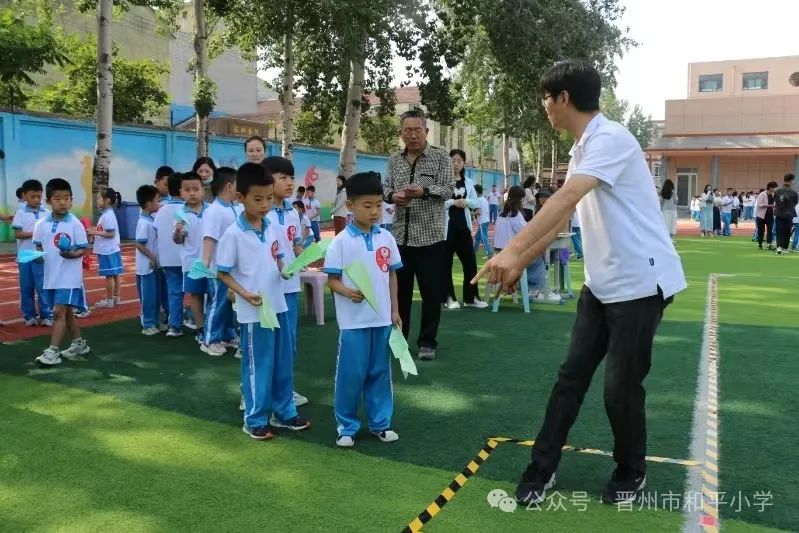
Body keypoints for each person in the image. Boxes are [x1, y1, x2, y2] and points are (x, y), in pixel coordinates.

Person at [473, 61, 686, 506]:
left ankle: (632, 469)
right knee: (570, 378)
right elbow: (562, 218)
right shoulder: (582, 149)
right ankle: (542, 468)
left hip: (641, 285)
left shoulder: (610, 139)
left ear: (563, 98)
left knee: (619, 389)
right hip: (601, 286)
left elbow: (567, 197)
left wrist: (511, 251)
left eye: (546, 99)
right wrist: (519, 262)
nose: (544, 108)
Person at [216, 162, 310, 439]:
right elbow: (222, 272)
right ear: (240, 197)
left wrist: (286, 268)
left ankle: (285, 412)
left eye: (269, 198)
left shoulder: (273, 227)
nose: (265, 205)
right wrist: (243, 293)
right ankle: (255, 418)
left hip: (277, 304)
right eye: (258, 199)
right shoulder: (233, 234)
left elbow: (280, 256)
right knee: (259, 364)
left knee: (282, 360)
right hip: (254, 310)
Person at [323, 171, 402, 448]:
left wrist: (394, 310)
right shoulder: (341, 242)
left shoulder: (386, 239)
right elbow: (332, 280)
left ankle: (381, 423)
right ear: (350, 206)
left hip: (380, 320)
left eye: (379, 205)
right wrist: (348, 292)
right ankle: (347, 426)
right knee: (351, 375)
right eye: (367, 206)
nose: (374, 211)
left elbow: (392, 275)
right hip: (353, 323)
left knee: (380, 372)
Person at [383, 108, 453, 361]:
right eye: (407, 130)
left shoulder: (440, 157)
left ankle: (427, 342)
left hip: (431, 238)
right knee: (399, 293)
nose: (412, 135)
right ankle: (399, 341)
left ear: (426, 131)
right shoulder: (394, 159)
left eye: (417, 130)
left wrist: (423, 191)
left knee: (431, 293)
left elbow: (448, 190)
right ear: (401, 133)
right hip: (400, 237)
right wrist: (394, 196)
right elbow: (385, 188)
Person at [262, 156, 309, 407]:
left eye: (291, 177)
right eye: (283, 177)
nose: (289, 183)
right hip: (266, 289)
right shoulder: (260, 212)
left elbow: (297, 245)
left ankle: (285, 390)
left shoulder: (293, 212)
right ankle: (253, 392)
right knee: (264, 341)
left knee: (288, 343)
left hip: (289, 287)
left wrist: (307, 259)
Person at [32, 178, 92, 366]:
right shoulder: (41, 224)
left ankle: (52, 352)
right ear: (48, 201)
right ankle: (79, 344)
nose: (63, 202)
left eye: (67, 198)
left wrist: (73, 254)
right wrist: (35, 257)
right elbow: (39, 250)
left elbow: (83, 249)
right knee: (66, 313)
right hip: (52, 277)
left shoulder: (75, 223)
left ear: (71, 200)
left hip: (70, 277)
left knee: (58, 312)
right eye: (58, 198)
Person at [200, 167, 240, 356]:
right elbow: (209, 238)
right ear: (229, 185)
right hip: (218, 268)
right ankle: (209, 340)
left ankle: (227, 334)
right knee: (218, 303)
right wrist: (206, 264)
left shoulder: (233, 207)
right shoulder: (214, 211)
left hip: (232, 269)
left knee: (229, 303)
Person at [443, 149, 486, 310]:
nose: (456, 164)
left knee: (470, 263)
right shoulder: (443, 181)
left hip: (464, 228)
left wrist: (466, 201)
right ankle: (448, 298)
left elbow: (476, 202)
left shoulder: (468, 182)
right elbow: (438, 202)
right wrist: (453, 202)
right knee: (445, 264)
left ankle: (471, 298)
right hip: (447, 229)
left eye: (459, 161)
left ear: (463, 163)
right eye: (453, 160)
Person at [173, 172, 209, 345]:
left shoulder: (211, 210)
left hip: (211, 262)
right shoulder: (180, 213)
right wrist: (177, 231)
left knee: (214, 294)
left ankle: (214, 328)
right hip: (191, 262)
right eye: (187, 190)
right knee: (196, 295)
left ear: (203, 190)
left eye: (196, 189)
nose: (192, 193)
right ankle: (201, 328)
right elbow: (178, 240)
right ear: (181, 192)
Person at [12, 179, 53, 326]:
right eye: (32, 196)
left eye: (38, 196)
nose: (36, 200)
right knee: (26, 287)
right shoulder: (20, 213)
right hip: (25, 254)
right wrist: (36, 234)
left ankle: (47, 314)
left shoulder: (47, 213)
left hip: (42, 254)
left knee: (43, 286)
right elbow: (18, 234)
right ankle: (29, 316)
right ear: (24, 196)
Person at [153, 172, 186, 337]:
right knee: (196, 292)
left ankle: (175, 325)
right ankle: (195, 320)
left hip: (167, 258)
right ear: (182, 190)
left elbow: (157, 232)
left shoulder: (162, 209)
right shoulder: (185, 209)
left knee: (174, 291)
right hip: (186, 257)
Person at [134, 185, 163, 336]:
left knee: (155, 296)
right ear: (148, 204)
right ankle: (148, 324)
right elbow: (139, 243)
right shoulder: (143, 223)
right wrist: (152, 257)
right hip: (146, 268)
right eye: (157, 201)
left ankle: (155, 321)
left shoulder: (151, 220)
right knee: (148, 297)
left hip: (153, 266)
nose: (160, 203)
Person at [90, 187, 124, 308]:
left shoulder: (107, 215)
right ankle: (115, 297)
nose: (97, 200)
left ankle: (109, 300)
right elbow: (106, 231)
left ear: (107, 200)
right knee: (115, 274)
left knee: (110, 275)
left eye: (99, 197)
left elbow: (111, 233)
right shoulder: (107, 214)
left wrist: (95, 232)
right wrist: (95, 230)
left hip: (107, 250)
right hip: (111, 249)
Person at [772, 173, 798, 254]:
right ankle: (785, 248)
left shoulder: (776, 190)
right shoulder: (794, 192)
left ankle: (779, 247)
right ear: (791, 181)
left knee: (779, 230)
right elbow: (795, 202)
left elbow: (775, 200)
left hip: (779, 213)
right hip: (789, 213)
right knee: (787, 231)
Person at [472, 184, 494, 259]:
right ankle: (473, 251)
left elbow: (478, 212)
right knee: (477, 237)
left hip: (483, 221)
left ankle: (490, 254)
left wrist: (470, 213)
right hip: (485, 220)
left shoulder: (478, 200)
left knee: (484, 238)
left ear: (476, 192)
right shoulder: (484, 199)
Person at [755, 182, 777, 250]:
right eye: (774, 188)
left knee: (770, 231)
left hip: (770, 216)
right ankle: (760, 244)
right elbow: (759, 205)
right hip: (761, 216)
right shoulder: (762, 194)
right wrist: (769, 205)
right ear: (770, 188)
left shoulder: (773, 195)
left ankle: (769, 244)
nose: (775, 189)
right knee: (761, 231)